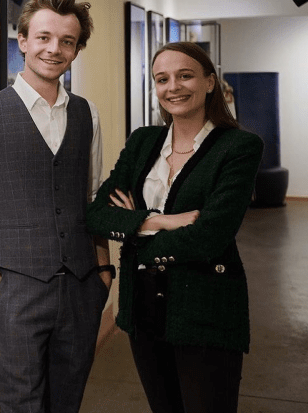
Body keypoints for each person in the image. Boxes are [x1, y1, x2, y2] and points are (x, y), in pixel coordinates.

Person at [0, 0, 113, 413]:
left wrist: (103, 272)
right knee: (20, 404)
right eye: (43, 37)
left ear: (76, 50)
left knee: (67, 402)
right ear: (22, 41)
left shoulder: (88, 114)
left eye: (66, 41)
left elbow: (92, 198)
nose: (54, 49)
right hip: (17, 291)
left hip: (82, 287)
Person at [86, 41, 263, 413]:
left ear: (209, 82)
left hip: (205, 307)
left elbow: (210, 236)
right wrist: (159, 221)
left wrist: (133, 236)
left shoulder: (239, 147)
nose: (173, 87)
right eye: (162, 79)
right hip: (142, 310)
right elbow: (98, 214)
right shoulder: (143, 141)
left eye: (185, 76)